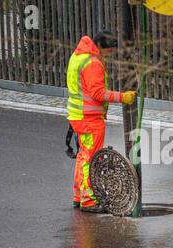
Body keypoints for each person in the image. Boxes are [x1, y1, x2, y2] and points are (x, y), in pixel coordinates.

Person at [67, 31, 136, 213]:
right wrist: (123, 97)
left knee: (83, 155)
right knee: (91, 158)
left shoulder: (79, 55)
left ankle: (78, 196)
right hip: (89, 118)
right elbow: (98, 93)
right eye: (111, 51)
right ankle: (89, 200)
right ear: (105, 48)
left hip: (78, 115)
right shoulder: (92, 63)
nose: (111, 55)